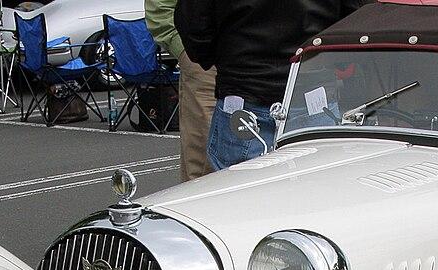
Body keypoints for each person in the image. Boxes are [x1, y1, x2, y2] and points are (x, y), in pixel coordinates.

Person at [175, 0, 369, 171]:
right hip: (311, 92)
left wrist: (227, 63)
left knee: (239, 194)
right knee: (316, 191)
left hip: (244, 93)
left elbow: (194, 26)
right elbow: (358, 21)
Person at [146, 0, 218, 181]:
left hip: (263, 58)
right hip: (205, 59)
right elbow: (161, 8)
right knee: (205, 161)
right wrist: (185, 51)